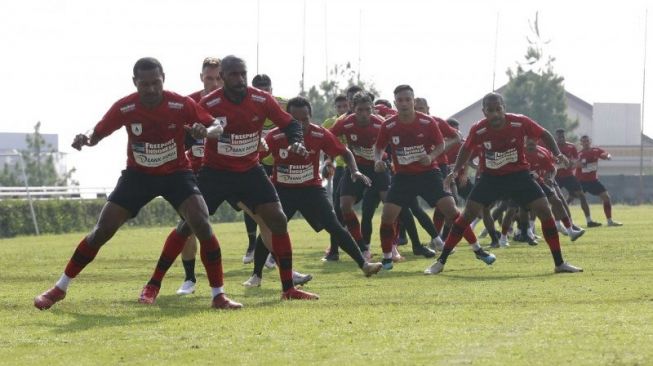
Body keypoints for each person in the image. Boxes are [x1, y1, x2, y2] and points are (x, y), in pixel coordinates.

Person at [34, 57, 243, 310]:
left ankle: (218, 295)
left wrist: (205, 132)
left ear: (163, 78)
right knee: (102, 230)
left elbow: (216, 126)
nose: (152, 89)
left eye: (156, 82)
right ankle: (59, 288)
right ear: (135, 83)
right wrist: (85, 138)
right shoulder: (125, 107)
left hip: (176, 174)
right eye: (145, 84)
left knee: (201, 221)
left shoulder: (180, 103)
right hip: (138, 176)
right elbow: (97, 132)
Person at [139, 55, 319, 301]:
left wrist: (296, 141)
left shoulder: (261, 99)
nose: (239, 79)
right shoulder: (209, 102)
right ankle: (153, 284)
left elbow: (290, 125)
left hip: (250, 171)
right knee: (187, 226)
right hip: (216, 173)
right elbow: (187, 138)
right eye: (233, 74)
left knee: (277, 219)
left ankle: (288, 288)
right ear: (223, 77)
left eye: (242, 74)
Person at [425, 92, 583, 275]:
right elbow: (466, 149)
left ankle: (559, 263)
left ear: (504, 109)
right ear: (484, 112)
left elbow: (545, 134)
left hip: (519, 176)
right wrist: (454, 171)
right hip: (490, 178)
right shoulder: (479, 129)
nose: (495, 114)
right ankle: (441, 261)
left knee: (545, 210)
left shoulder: (520, 121)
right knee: (467, 214)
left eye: (498, 109)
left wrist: (556, 153)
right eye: (490, 110)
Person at [242, 96, 383, 286]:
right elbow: (255, 157)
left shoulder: (320, 134)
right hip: (283, 190)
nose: (300, 124)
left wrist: (354, 170)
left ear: (311, 116)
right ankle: (256, 275)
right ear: (286, 118)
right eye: (295, 120)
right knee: (270, 228)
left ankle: (364, 264)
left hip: (311, 190)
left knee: (334, 225)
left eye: (305, 119)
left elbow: (345, 152)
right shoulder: (275, 136)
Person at [374, 85, 495, 270]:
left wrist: (430, 157)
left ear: (413, 101)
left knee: (452, 211)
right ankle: (387, 258)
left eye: (408, 99)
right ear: (395, 102)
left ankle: (478, 250)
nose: (404, 103)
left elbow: (440, 144)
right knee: (388, 215)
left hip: (428, 174)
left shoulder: (428, 122)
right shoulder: (388, 125)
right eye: (400, 100)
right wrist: (377, 159)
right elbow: (379, 146)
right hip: (403, 177)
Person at [176, 56, 223, 296]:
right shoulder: (189, 103)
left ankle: (284, 274)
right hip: (196, 173)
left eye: (217, 79)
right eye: (209, 78)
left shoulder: (232, 101)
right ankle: (189, 279)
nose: (213, 84)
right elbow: (177, 138)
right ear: (201, 77)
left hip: (230, 170)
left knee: (268, 216)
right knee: (188, 226)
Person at [241, 73, 289, 267]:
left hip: (278, 162)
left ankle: (271, 252)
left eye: (266, 90)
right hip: (252, 161)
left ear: (272, 90)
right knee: (249, 204)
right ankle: (253, 243)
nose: (263, 94)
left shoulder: (285, 105)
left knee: (276, 207)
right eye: (258, 90)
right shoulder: (244, 103)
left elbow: (295, 126)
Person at [321, 86, 363, 261]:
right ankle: (337, 250)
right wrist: (328, 161)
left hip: (374, 169)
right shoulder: (341, 121)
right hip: (344, 169)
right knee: (339, 210)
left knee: (393, 205)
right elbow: (327, 141)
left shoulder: (373, 119)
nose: (351, 104)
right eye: (350, 100)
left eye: (355, 100)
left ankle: (392, 248)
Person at [554, 129, 601, 227]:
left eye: (563, 136)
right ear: (556, 138)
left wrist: (572, 164)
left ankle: (589, 221)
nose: (561, 138)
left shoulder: (571, 147)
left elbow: (576, 161)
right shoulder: (552, 147)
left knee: (581, 195)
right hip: (556, 177)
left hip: (569, 176)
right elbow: (549, 161)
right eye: (559, 137)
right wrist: (558, 164)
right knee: (555, 200)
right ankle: (557, 223)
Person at [575, 135, 623, 226]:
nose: (585, 143)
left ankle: (609, 221)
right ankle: (563, 222)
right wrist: (580, 164)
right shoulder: (579, 154)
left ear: (590, 141)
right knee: (569, 199)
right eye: (583, 141)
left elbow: (606, 154)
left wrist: (608, 156)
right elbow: (575, 164)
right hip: (580, 181)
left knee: (606, 197)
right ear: (581, 143)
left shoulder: (596, 150)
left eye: (587, 141)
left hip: (593, 181)